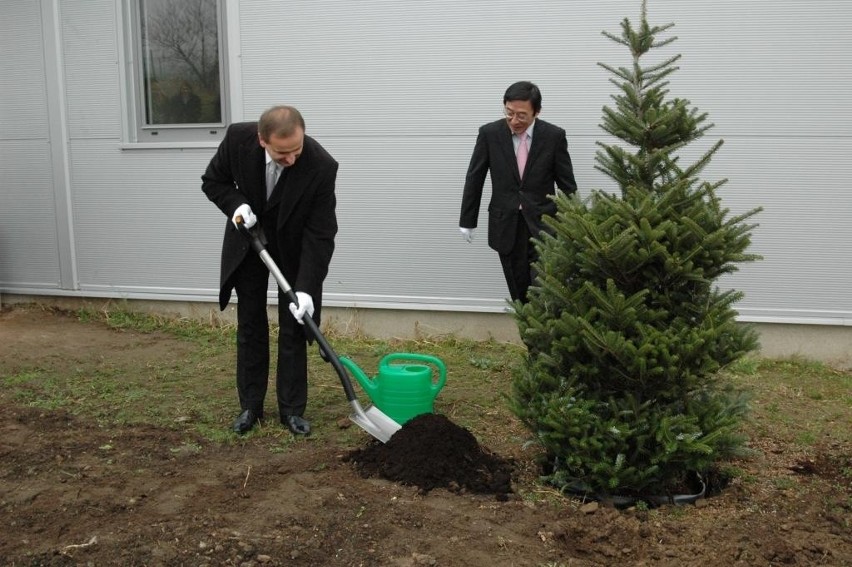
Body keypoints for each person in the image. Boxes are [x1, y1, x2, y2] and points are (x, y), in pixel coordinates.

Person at [201, 105, 339, 436]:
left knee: (294, 325)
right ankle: (250, 405)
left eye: (297, 150)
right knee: (250, 322)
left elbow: (321, 233)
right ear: (263, 141)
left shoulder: (321, 165)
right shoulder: (237, 139)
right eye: (282, 153)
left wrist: (306, 287)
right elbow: (213, 181)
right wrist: (237, 205)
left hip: (293, 249)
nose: (291, 159)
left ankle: (291, 409)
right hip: (249, 242)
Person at [459, 81, 577, 304]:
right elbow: (475, 177)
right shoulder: (489, 134)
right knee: (519, 291)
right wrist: (467, 220)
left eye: (521, 116)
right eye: (509, 113)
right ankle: (529, 336)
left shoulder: (553, 136)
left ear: (537, 112)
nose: (514, 121)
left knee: (545, 288)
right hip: (506, 225)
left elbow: (567, 184)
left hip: (545, 224)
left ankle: (546, 334)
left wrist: (576, 222)